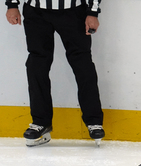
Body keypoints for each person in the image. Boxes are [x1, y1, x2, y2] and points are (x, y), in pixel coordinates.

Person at [5, 0, 105, 147]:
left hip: (73, 10)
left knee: (83, 65)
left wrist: (92, 12)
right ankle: (40, 121)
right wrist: (12, 5)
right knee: (36, 66)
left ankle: (94, 121)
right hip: (35, 11)